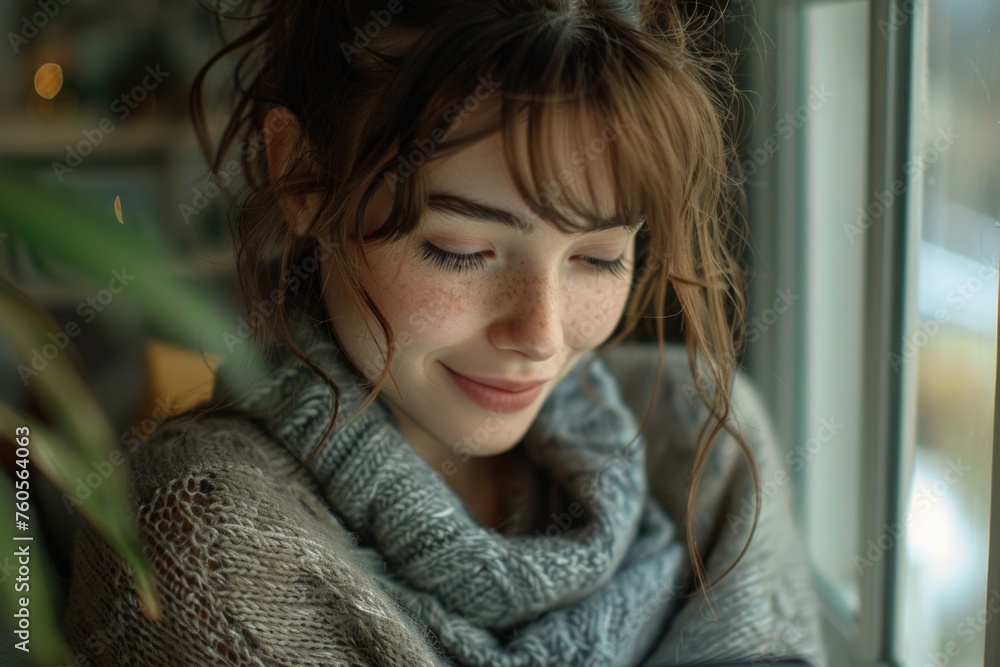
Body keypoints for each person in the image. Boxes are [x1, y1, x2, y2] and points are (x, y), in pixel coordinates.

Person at [62, 0, 827, 665]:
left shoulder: (703, 446)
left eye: (598, 259)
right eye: (460, 252)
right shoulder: (201, 537)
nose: (540, 332)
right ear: (301, 176)